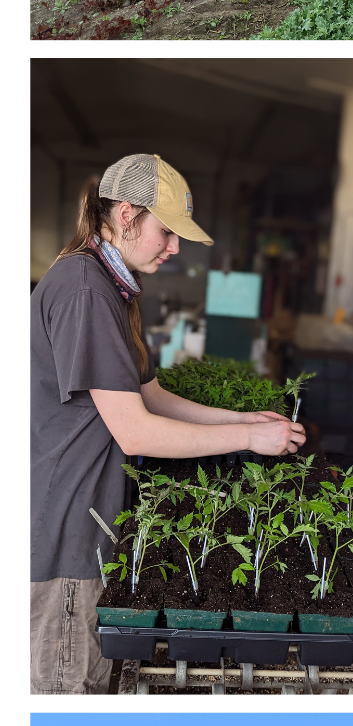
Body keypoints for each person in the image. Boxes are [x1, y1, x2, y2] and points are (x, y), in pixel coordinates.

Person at [31, 154, 305, 693]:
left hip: (86, 525)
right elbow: (136, 431)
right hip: (63, 530)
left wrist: (243, 417)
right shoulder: (85, 289)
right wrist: (250, 438)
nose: (174, 248)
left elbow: (151, 395)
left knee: (86, 683)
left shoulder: (111, 287)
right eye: (167, 232)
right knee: (63, 695)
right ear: (126, 214)